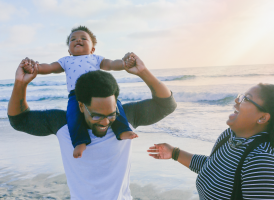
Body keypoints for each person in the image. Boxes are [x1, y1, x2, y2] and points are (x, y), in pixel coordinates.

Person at [8, 53, 177, 199]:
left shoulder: (125, 118)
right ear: (81, 106)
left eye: (111, 114)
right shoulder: (63, 123)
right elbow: (19, 120)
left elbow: (167, 104)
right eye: (97, 115)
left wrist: (143, 72)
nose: (105, 122)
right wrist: (20, 84)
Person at [148, 84, 274, 199]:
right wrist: (174, 153)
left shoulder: (264, 164)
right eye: (241, 96)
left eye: (246, 99)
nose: (237, 100)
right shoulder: (229, 136)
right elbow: (213, 168)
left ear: (262, 118)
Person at [22, 25, 137, 158]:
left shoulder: (96, 58)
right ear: (69, 50)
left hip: (98, 91)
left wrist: (124, 63)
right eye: (73, 39)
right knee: (72, 116)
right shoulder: (66, 61)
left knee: (116, 105)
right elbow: (50, 67)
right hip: (75, 94)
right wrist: (34, 67)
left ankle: (123, 130)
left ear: (93, 49)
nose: (78, 40)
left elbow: (111, 64)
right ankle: (80, 141)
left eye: (83, 38)